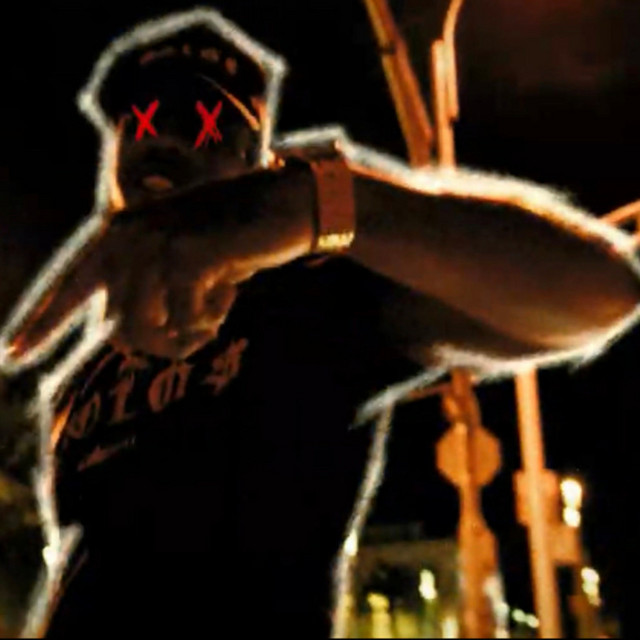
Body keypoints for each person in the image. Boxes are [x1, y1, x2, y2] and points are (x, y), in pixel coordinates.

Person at [1, 7, 639, 637]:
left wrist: (332, 204)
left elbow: (600, 292)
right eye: (137, 120)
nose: (161, 137)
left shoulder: (310, 290)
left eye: (201, 121)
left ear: (253, 160)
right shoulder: (84, 376)